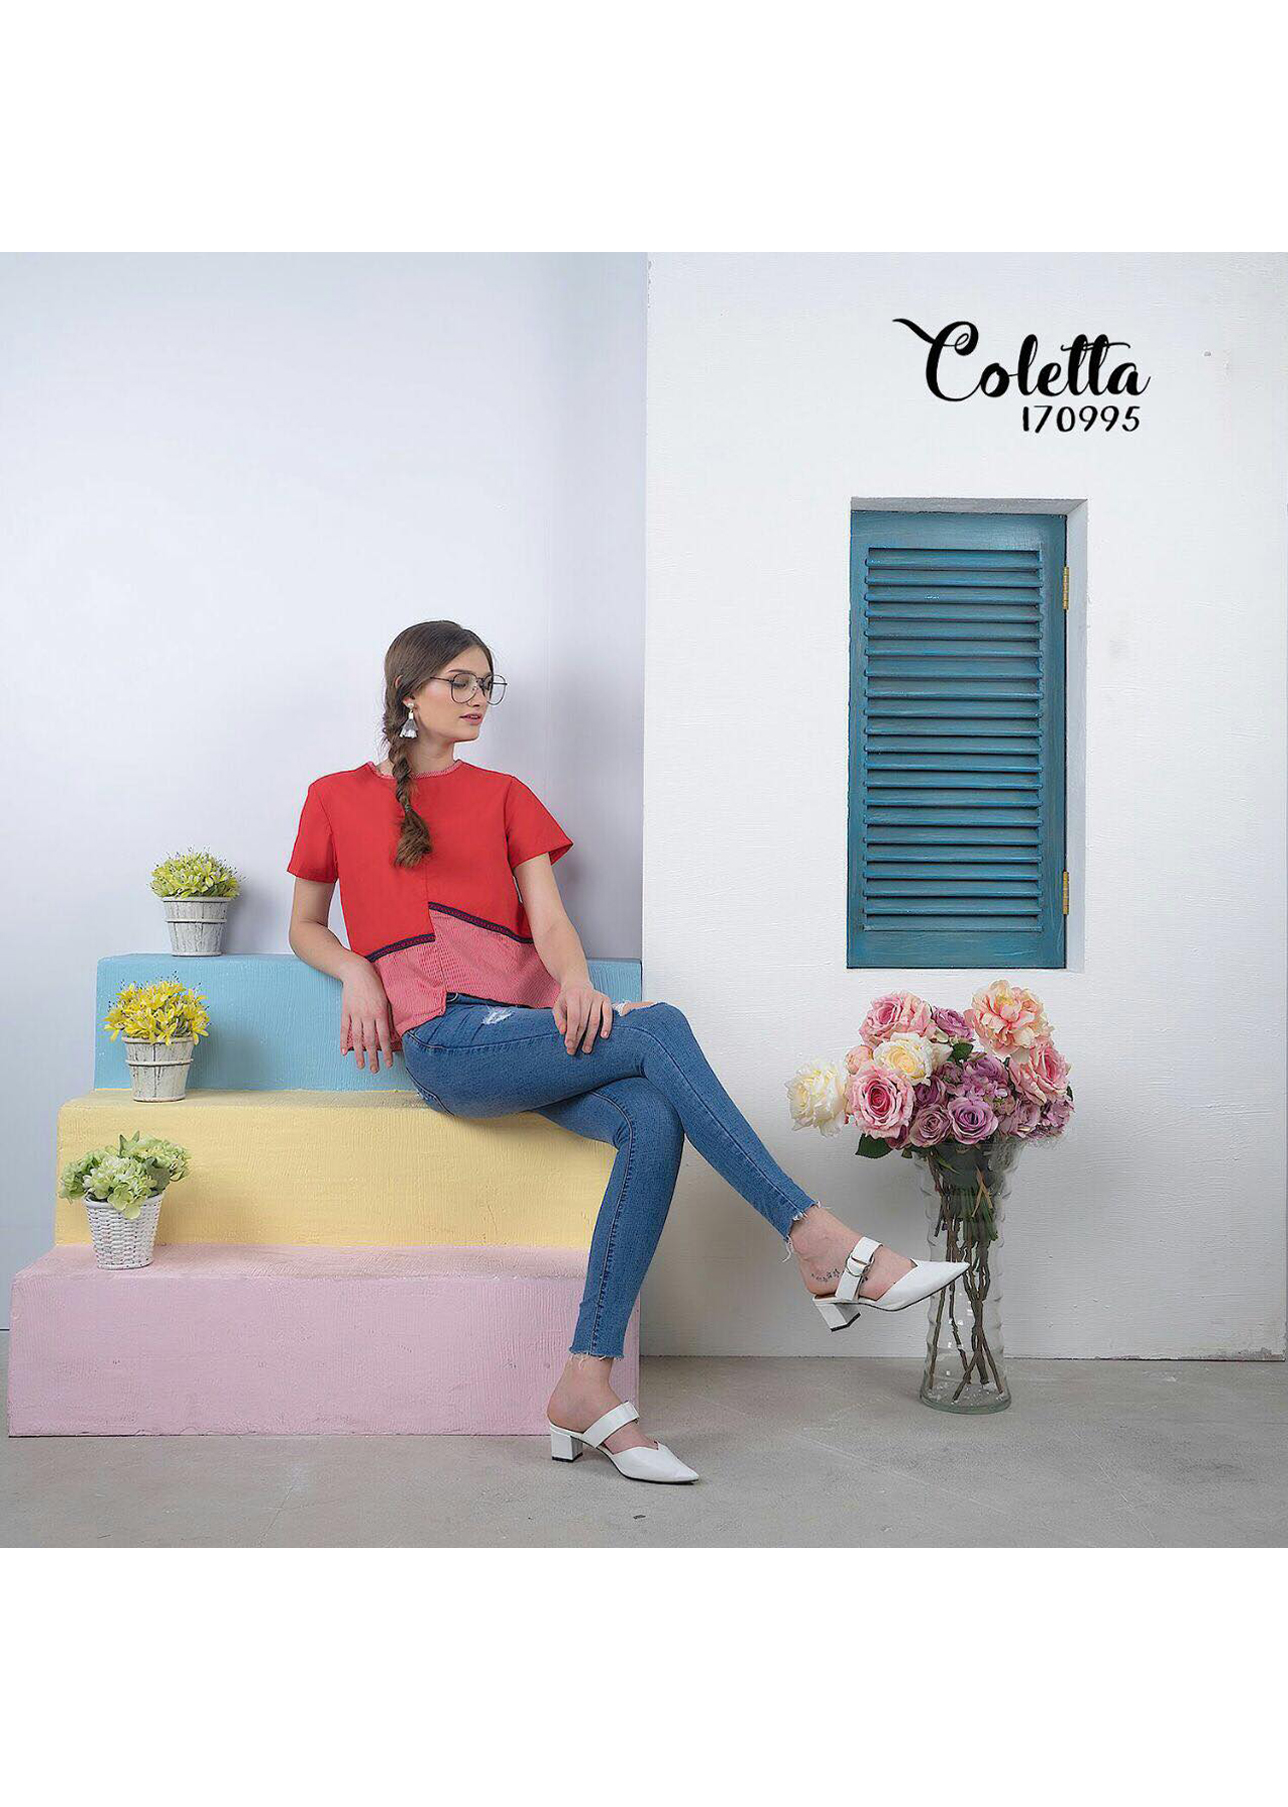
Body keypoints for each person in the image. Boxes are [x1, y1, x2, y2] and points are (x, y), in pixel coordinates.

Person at [287, 620, 967, 1485]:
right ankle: (816, 1238)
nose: (478, 698)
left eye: (487, 683)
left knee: (650, 1116)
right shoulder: (335, 796)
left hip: (527, 1032)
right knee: (658, 1025)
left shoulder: (506, 795)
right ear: (407, 692)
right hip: (448, 1045)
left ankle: (586, 1382)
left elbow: (551, 921)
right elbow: (304, 924)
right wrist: (356, 970)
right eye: (459, 681)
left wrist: (575, 984)